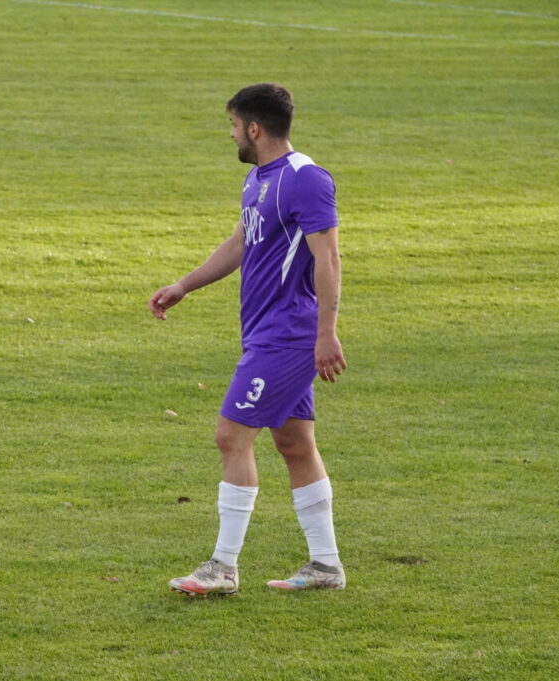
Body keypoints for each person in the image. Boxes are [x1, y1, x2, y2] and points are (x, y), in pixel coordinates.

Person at [149, 83, 348, 596]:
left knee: (231, 435)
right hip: (266, 332)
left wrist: (326, 333)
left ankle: (223, 567)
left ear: (254, 128)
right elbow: (241, 241)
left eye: (234, 126)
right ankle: (325, 566)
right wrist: (184, 285)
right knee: (294, 443)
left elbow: (328, 258)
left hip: (288, 335)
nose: (232, 135)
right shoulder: (259, 179)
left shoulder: (305, 180)